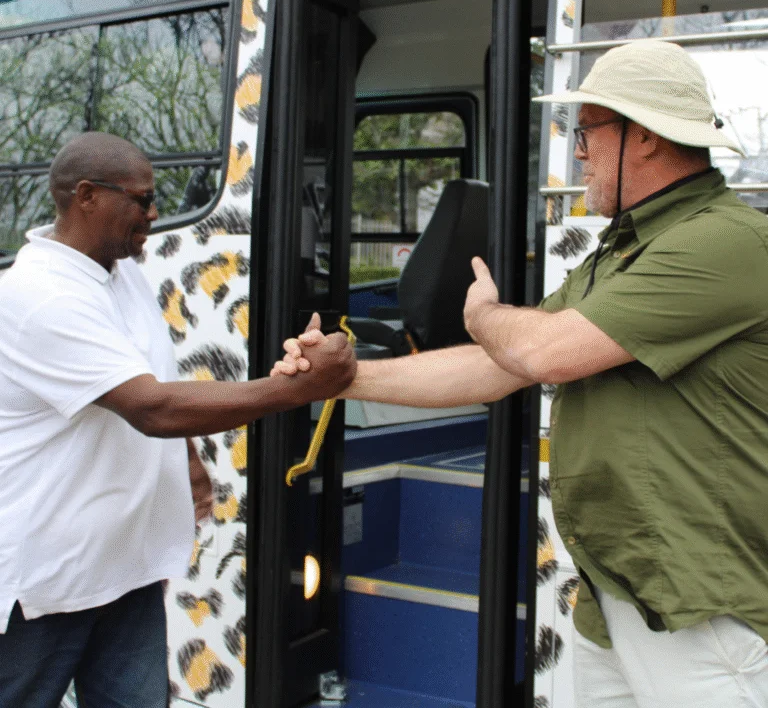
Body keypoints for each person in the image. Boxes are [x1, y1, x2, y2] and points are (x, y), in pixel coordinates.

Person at [274, 41, 768, 707]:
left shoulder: (722, 241)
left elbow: (539, 353)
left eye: (585, 129)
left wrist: (484, 314)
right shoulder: (624, 249)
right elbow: (496, 368)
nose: (578, 151)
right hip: (618, 590)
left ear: (644, 136)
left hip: (702, 611)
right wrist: (342, 379)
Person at [0, 131, 355, 708]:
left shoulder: (119, 274)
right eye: (141, 200)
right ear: (87, 196)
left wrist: (186, 460)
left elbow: (150, 373)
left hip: (122, 565)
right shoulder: (39, 297)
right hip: (48, 582)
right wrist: (295, 391)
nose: (154, 212)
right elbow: (149, 405)